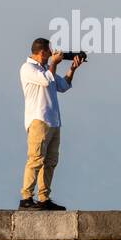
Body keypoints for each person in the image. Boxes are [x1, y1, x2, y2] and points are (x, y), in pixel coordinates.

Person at [19, 37, 84, 210]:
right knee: (35, 159)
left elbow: (63, 86)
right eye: (49, 51)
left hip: (53, 121)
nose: (52, 54)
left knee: (50, 161)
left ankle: (43, 197)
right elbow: (46, 80)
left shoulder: (46, 69)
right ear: (41, 52)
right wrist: (54, 64)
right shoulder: (28, 68)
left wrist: (72, 69)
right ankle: (26, 198)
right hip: (39, 120)